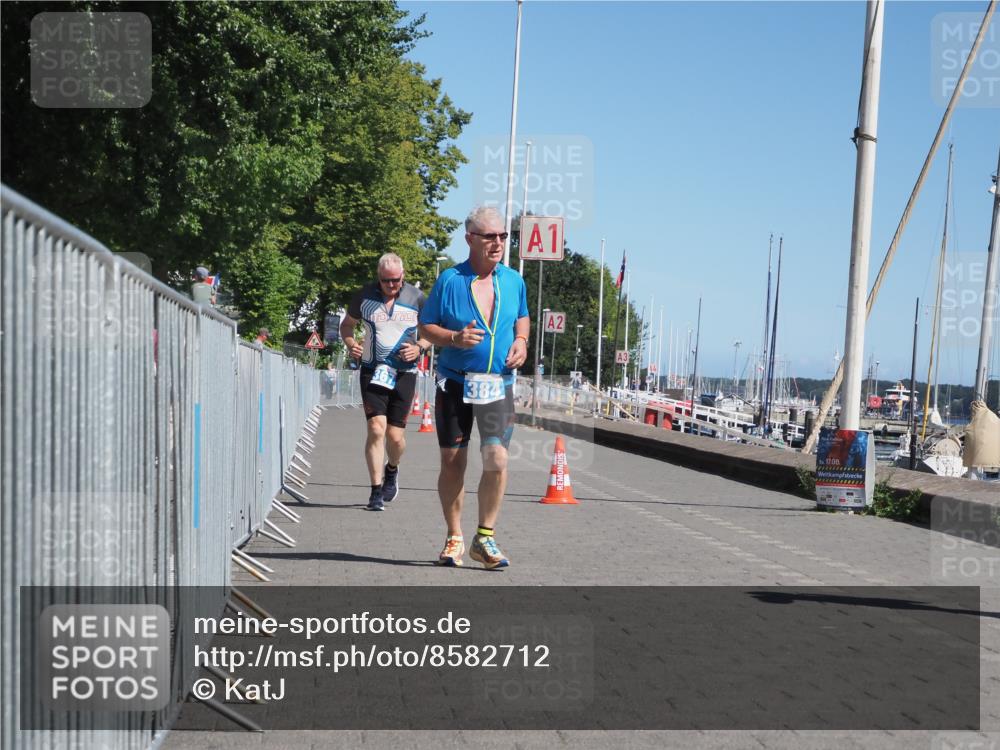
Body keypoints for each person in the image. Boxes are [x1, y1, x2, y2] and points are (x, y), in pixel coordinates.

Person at [418, 206, 529, 569]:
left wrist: (522, 340)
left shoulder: (513, 281)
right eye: (489, 236)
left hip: (498, 384)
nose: (498, 243)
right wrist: (453, 337)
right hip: (454, 383)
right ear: (470, 239)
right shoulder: (450, 280)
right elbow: (426, 326)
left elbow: (523, 316)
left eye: (503, 236)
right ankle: (454, 537)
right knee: (454, 461)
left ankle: (485, 537)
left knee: (497, 458)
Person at [340, 253, 430, 511]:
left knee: (395, 437)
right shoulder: (364, 296)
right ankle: (375, 491)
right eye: (385, 280)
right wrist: (351, 344)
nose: (391, 285)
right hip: (373, 370)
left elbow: (432, 332)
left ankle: (392, 468)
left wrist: (420, 348)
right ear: (378, 278)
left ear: (403, 276)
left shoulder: (417, 297)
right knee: (376, 429)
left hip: (404, 374)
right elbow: (347, 326)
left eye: (396, 280)